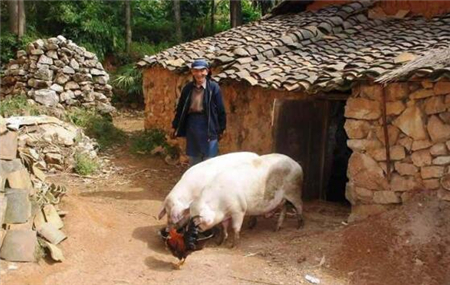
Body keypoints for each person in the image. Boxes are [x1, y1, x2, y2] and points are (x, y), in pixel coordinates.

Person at [171, 59, 226, 166]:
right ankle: (195, 181)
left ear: (207, 71)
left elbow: (220, 110)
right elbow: (181, 109)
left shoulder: (213, 88)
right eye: (196, 71)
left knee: (209, 160)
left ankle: (208, 182)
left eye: (202, 70)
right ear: (192, 72)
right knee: (194, 159)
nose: (199, 74)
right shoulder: (188, 89)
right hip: (193, 125)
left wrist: (221, 128)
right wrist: (175, 126)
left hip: (209, 125)